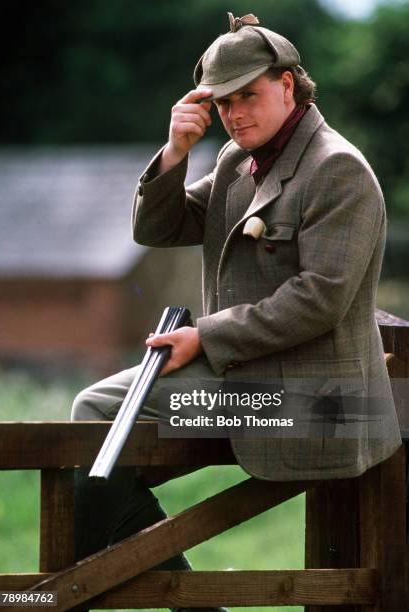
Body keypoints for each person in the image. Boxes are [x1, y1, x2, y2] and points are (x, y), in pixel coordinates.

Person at [71, 12, 402, 611]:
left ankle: (91, 587)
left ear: (289, 84)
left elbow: (320, 299)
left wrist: (204, 337)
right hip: (250, 379)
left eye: (248, 94)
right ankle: (122, 586)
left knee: (95, 422)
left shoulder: (338, 169)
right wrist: (175, 151)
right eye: (221, 102)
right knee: (94, 423)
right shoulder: (236, 163)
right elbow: (160, 227)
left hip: (313, 401)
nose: (234, 112)